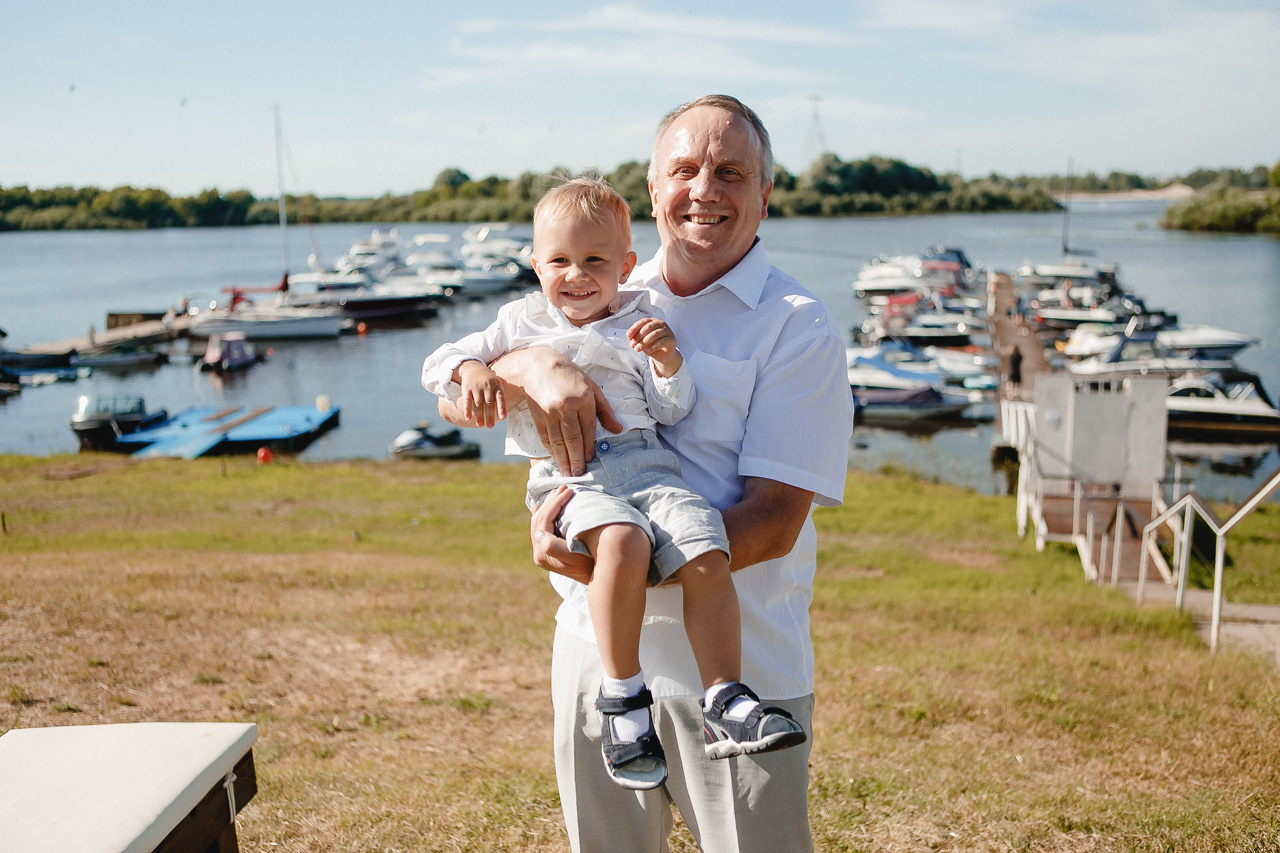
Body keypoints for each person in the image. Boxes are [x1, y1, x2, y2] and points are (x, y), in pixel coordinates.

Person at [438, 96, 854, 852]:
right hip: (596, 663)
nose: (704, 189)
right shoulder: (600, 280)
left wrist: (611, 560)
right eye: (683, 169)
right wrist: (534, 361)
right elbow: (470, 367)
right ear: (654, 188)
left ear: (765, 193)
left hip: (742, 670)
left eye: (731, 172)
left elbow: (773, 520)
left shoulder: (797, 324)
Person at [423, 176, 806, 792]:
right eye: (559, 261)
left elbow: (672, 409)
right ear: (534, 263)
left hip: (648, 462)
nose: (576, 275)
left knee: (707, 543)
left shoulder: (640, 318)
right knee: (625, 543)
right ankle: (623, 699)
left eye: (595, 261)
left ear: (626, 265)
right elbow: (440, 370)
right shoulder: (519, 319)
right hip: (572, 473)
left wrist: (668, 363)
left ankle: (724, 696)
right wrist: (474, 367)